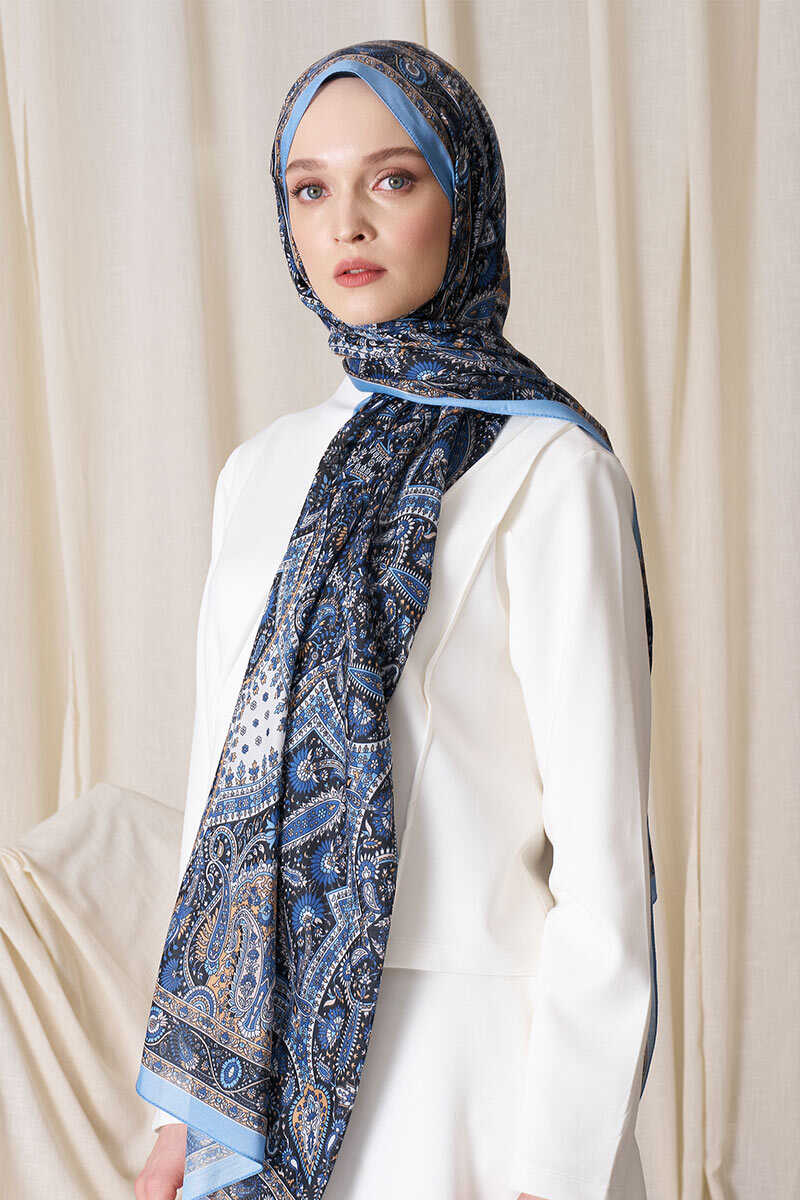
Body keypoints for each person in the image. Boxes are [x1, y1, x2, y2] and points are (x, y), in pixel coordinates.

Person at [134, 39, 657, 1200]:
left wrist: (554, 1168)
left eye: (393, 178)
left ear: (461, 195)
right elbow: (221, 805)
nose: (347, 224)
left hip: (479, 1093)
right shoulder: (258, 472)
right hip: (261, 1101)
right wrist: (182, 1117)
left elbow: (603, 865)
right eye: (309, 189)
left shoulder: (550, 470)